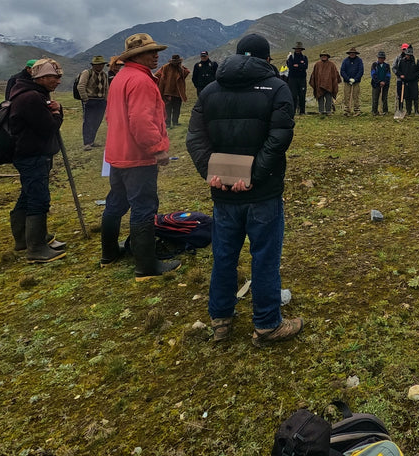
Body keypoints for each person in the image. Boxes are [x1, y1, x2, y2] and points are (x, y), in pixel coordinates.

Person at [186, 33, 302, 347]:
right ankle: (266, 324)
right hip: (263, 193)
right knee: (264, 257)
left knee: (224, 256)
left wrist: (212, 173)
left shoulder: (210, 91)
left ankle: (221, 321)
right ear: (267, 59)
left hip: (223, 194)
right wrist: (253, 176)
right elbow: (278, 139)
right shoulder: (277, 88)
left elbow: (195, 139)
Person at [101, 33, 181, 280]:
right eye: (150, 52)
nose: (156, 55)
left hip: (118, 154)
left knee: (116, 203)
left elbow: (110, 117)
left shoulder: (120, 78)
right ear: (136, 56)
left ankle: (109, 253)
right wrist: (158, 149)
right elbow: (142, 123)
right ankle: (146, 266)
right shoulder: (142, 81)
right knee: (144, 207)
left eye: (156, 50)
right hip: (138, 158)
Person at [8, 59, 67, 263]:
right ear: (41, 78)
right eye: (54, 77)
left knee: (28, 194)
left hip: (27, 152)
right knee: (38, 199)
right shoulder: (32, 97)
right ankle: (36, 248)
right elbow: (48, 126)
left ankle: (24, 239)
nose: (58, 81)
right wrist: (58, 112)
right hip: (33, 154)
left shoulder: (25, 93)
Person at [75, 55, 109, 149]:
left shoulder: (104, 75)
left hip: (101, 101)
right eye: (98, 64)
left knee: (97, 122)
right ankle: (87, 143)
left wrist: (106, 100)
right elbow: (80, 86)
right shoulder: (87, 73)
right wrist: (85, 99)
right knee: (88, 121)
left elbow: (106, 88)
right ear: (93, 65)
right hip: (90, 100)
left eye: (101, 64)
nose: (100, 66)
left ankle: (92, 141)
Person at [156, 54, 190, 128]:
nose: (176, 63)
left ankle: (175, 122)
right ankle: (167, 123)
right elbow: (157, 75)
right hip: (168, 92)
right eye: (175, 61)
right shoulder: (165, 67)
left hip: (178, 92)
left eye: (177, 61)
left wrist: (181, 67)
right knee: (168, 109)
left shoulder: (181, 69)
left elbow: (187, 72)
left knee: (177, 108)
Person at [395, 48, 419, 115]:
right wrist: (400, 75)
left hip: (413, 82)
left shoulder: (416, 61)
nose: (406, 56)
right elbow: (398, 70)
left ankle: (416, 111)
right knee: (407, 97)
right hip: (405, 82)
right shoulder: (402, 61)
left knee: (415, 96)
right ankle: (408, 111)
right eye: (406, 54)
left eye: (408, 55)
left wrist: (414, 76)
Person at [285, 43, 309, 115]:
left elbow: (305, 66)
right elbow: (290, 66)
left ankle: (302, 111)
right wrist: (300, 66)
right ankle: (293, 111)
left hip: (302, 79)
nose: (298, 50)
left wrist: (296, 66)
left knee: (302, 95)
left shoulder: (304, 57)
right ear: (295, 49)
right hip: (292, 79)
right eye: (296, 49)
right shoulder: (291, 57)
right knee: (293, 95)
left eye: (299, 49)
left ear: (301, 50)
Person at [339, 48, 364, 116]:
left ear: (355, 54)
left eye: (353, 53)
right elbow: (342, 71)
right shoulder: (345, 61)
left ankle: (357, 110)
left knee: (356, 95)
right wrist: (348, 79)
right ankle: (347, 110)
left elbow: (361, 71)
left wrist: (355, 79)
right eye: (351, 53)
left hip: (356, 82)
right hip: (347, 82)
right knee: (347, 95)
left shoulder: (359, 61)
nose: (352, 54)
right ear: (349, 53)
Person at [370, 51, 392, 115]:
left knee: (384, 98)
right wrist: (379, 81)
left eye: (382, 58)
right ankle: (374, 111)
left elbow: (388, 75)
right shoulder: (374, 65)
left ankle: (385, 110)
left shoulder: (387, 66)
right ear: (378, 58)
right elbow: (373, 74)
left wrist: (384, 82)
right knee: (375, 98)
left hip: (385, 84)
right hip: (376, 84)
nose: (381, 59)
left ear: (384, 59)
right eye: (379, 58)